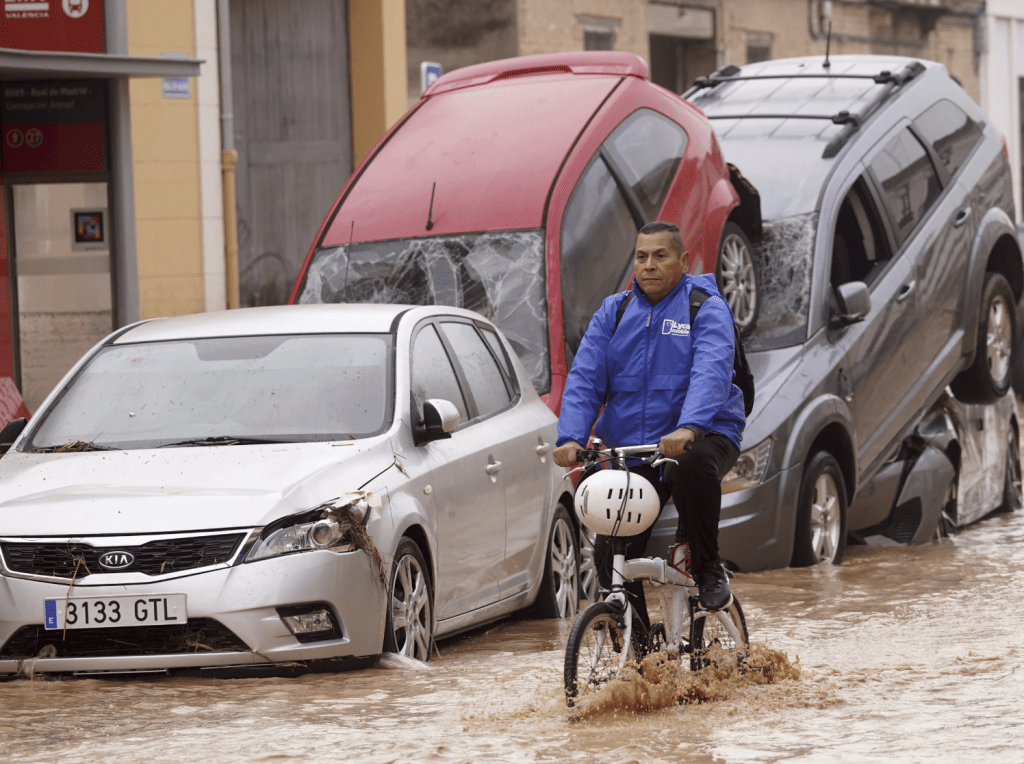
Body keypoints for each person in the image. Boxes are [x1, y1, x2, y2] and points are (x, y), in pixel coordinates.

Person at [553, 220, 745, 622]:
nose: (649, 265)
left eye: (661, 256)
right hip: (635, 450)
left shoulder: (704, 307)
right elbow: (586, 376)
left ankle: (709, 568)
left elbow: (710, 371)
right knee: (610, 559)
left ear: (683, 260)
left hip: (703, 435)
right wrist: (571, 436)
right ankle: (640, 655)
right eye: (642, 257)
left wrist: (689, 427)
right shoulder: (614, 311)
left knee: (690, 466)